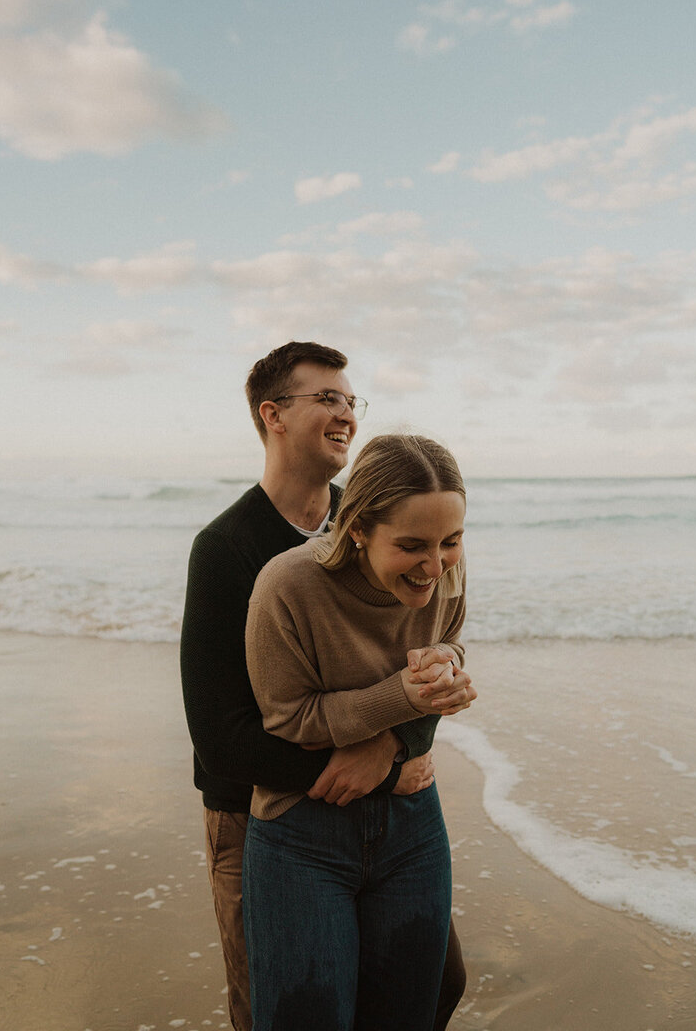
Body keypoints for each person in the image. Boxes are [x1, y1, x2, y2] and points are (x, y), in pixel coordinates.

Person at [180, 342, 472, 1031]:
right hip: (258, 808)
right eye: (327, 399)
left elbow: (427, 654)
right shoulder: (229, 548)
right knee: (279, 1010)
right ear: (273, 414)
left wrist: (395, 746)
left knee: (434, 985)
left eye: (351, 400)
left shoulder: (389, 523)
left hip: (381, 807)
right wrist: (369, 764)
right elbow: (221, 738)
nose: (347, 412)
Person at [243, 433, 472, 1031]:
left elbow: (444, 647)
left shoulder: (446, 571)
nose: (435, 566)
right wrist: (405, 697)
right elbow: (289, 720)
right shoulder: (287, 585)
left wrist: (436, 686)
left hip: (413, 823)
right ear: (358, 528)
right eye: (412, 545)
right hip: (302, 834)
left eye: (451, 541)